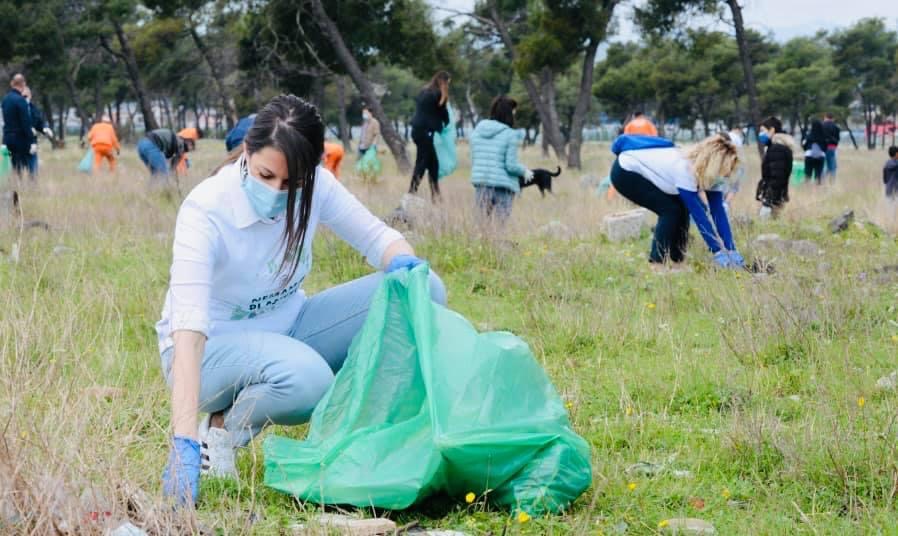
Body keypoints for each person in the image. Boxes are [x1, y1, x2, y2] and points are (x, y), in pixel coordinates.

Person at [157, 95, 446, 506]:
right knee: (309, 380)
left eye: (291, 183)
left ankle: (372, 430)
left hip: (289, 328)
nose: (276, 191)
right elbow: (188, 326)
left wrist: (401, 260)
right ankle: (216, 431)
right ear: (248, 151)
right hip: (209, 355)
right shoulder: (206, 209)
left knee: (424, 287)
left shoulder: (318, 186)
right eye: (266, 175)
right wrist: (182, 439)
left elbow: (379, 238)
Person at [610, 133, 743, 270]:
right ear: (714, 166)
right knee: (670, 210)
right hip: (625, 172)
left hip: (649, 173)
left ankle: (677, 262)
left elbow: (718, 212)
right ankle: (657, 264)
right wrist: (717, 251)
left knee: (681, 210)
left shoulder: (714, 174)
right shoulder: (685, 168)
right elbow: (699, 216)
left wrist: (731, 249)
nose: (725, 176)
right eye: (724, 171)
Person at [469, 96, 533, 224]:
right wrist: (524, 171)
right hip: (503, 188)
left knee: (481, 227)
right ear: (508, 113)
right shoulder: (510, 134)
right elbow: (511, 166)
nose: (514, 115)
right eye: (513, 111)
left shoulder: (477, 132)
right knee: (499, 228)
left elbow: (475, 159)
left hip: (481, 186)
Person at [409, 71, 451, 201]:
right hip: (425, 132)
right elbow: (443, 112)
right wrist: (447, 123)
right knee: (421, 163)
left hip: (416, 131)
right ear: (444, 82)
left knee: (433, 164)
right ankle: (411, 193)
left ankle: (436, 196)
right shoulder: (438, 94)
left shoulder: (424, 91)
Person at [756, 117, 796, 219]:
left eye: (762, 131)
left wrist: (768, 199)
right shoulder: (778, 147)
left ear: (772, 130)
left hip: (773, 198)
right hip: (777, 196)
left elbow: (777, 177)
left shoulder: (777, 149)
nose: (760, 134)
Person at [2, 74, 34, 180]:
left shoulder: (5, 100)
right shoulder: (20, 100)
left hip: (8, 138)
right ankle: (25, 183)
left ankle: (14, 183)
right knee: (24, 164)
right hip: (19, 139)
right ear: (23, 84)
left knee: (13, 164)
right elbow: (26, 122)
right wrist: (31, 140)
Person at [22, 86, 54, 178]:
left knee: (33, 168)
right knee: (18, 169)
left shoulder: (33, 108)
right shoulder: (16, 109)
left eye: (27, 96)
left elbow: (39, 122)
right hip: (19, 142)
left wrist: (45, 128)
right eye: (23, 96)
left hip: (32, 142)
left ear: (30, 96)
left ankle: (32, 184)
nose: (25, 98)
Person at [802, 119, 827, 184]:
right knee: (818, 174)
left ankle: (807, 186)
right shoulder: (823, 136)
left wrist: (807, 149)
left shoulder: (808, 135)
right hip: (820, 156)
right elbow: (825, 147)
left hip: (809, 155)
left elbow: (804, 145)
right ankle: (817, 186)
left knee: (808, 173)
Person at [822, 112, 840, 179]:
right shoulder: (836, 127)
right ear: (833, 118)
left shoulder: (822, 125)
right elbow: (838, 138)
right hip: (832, 147)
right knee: (832, 165)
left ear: (825, 117)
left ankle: (822, 179)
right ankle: (832, 180)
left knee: (824, 164)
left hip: (823, 147)